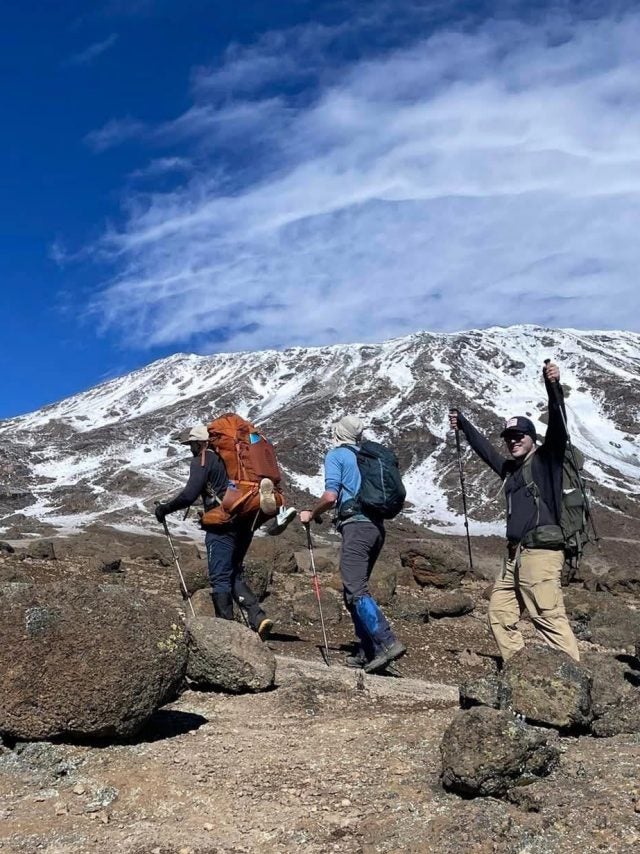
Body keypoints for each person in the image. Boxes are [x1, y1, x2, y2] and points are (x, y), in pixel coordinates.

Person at [449, 361, 579, 662]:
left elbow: (558, 425)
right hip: (514, 556)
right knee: (499, 613)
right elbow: (486, 451)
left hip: (541, 554)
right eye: (509, 437)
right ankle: (519, 671)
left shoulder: (547, 460)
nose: (513, 441)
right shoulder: (510, 470)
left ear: (533, 438)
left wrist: (553, 386)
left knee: (547, 618)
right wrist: (464, 425)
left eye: (519, 435)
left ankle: (574, 679)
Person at [299, 415, 406, 673]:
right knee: (353, 593)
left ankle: (387, 642)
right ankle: (367, 651)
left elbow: (330, 496)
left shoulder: (337, 455)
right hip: (376, 529)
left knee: (356, 589)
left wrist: (311, 514)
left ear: (339, 433)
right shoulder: (367, 456)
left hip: (356, 528)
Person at [154, 424, 273, 639]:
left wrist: (165, 509)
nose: (190, 449)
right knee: (233, 572)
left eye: (192, 444)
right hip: (245, 521)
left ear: (200, 443)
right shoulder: (230, 460)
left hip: (221, 524)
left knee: (219, 577)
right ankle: (257, 616)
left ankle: (225, 630)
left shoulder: (204, 459)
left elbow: (189, 495)